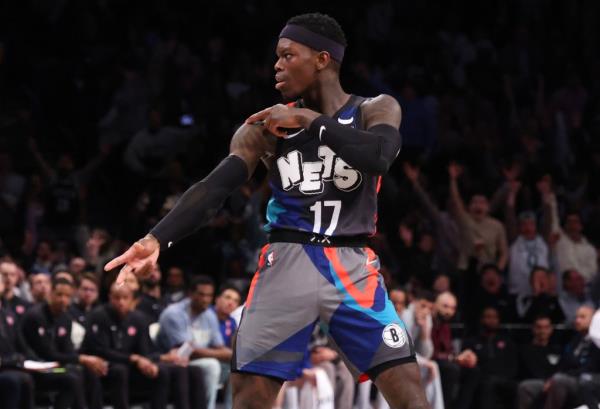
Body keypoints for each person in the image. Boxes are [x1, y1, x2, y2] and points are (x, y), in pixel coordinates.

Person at [105, 12, 428, 409]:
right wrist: (156, 236)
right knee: (251, 399)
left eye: (288, 55)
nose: (277, 64)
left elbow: (379, 156)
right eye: (277, 56)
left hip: (352, 265)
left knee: (410, 391)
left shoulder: (375, 108)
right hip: (287, 259)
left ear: (323, 59)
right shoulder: (265, 127)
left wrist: (310, 121)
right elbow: (214, 187)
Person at [20, 277, 107, 409]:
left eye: (67, 296)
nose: (63, 299)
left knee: (88, 372)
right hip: (37, 368)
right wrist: (82, 358)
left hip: (56, 366)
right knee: (72, 377)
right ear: (50, 294)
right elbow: (47, 354)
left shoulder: (65, 319)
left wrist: (83, 360)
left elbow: (68, 351)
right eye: (59, 294)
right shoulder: (35, 316)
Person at [157, 275, 230, 409]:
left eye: (209, 296)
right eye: (201, 295)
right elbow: (187, 351)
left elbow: (220, 346)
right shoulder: (173, 313)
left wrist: (234, 357)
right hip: (172, 361)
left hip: (198, 360)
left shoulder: (209, 314)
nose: (205, 300)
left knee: (236, 367)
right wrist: (222, 354)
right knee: (212, 365)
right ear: (190, 294)